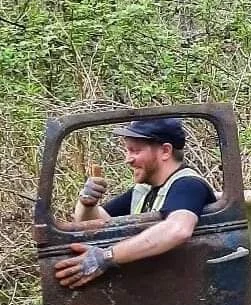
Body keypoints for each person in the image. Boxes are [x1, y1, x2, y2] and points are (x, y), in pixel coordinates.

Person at [55, 118, 217, 289]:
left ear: (165, 151)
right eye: (127, 151)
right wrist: (87, 203)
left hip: (189, 290)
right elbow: (93, 225)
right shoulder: (144, 190)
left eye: (135, 151)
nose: (128, 159)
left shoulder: (187, 185)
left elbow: (178, 230)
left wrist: (107, 256)